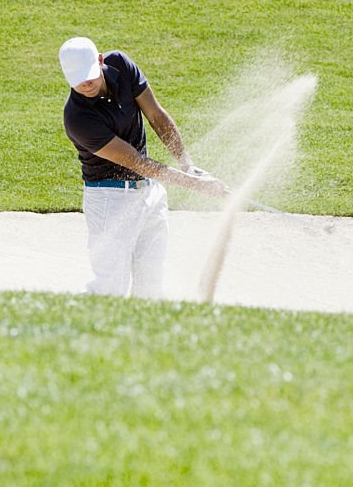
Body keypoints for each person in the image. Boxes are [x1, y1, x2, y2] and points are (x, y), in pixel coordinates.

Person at [59, 36, 227, 298]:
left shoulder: (121, 65)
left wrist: (187, 165)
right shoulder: (77, 118)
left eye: (90, 75)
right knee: (109, 288)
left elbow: (156, 115)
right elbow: (138, 163)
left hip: (150, 194)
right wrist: (197, 185)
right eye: (78, 80)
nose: (86, 84)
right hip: (109, 201)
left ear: (101, 60)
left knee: (151, 286)